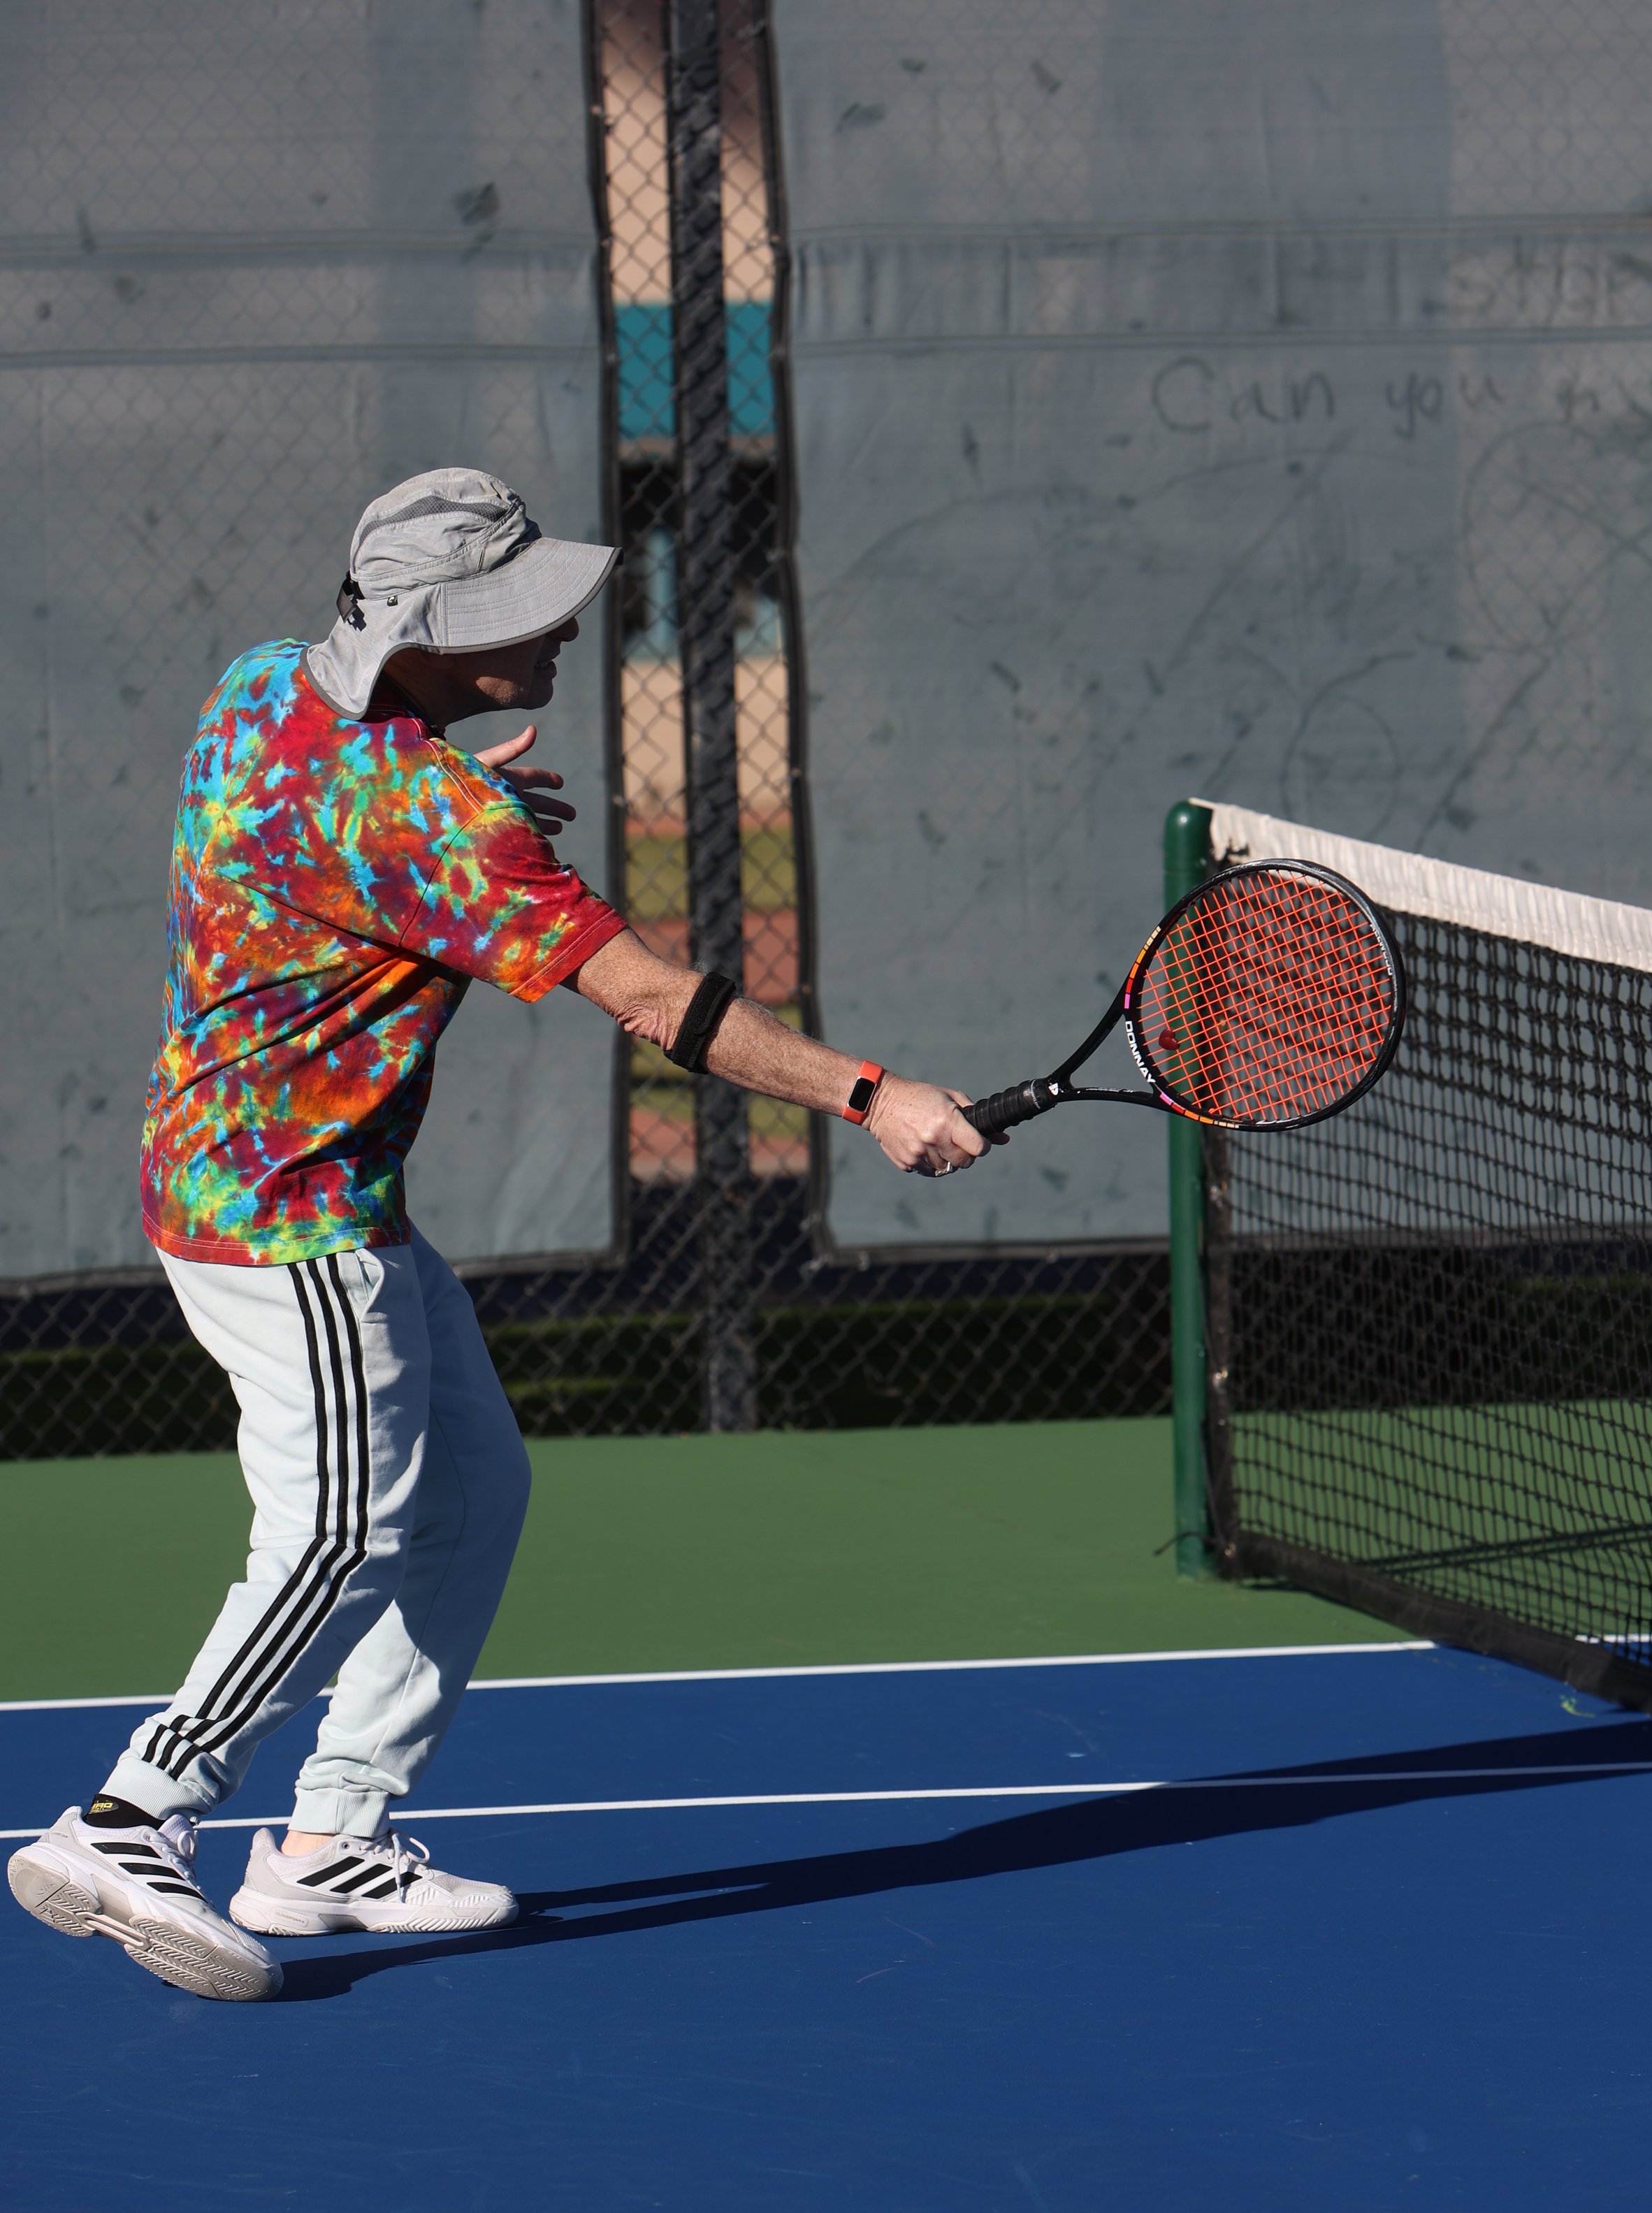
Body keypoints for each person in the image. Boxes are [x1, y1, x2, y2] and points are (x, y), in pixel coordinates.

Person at [7, 467, 987, 2003]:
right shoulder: (430, 820)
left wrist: (464, 820)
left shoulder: (262, 690)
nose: (564, 632)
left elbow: (334, 837)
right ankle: (131, 1819)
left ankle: (329, 1841)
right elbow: (659, 1006)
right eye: (524, 617)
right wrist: (869, 1095)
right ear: (431, 634)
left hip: (235, 1177)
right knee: (339, 1530)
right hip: (287, 1224)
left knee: (473, 1488)